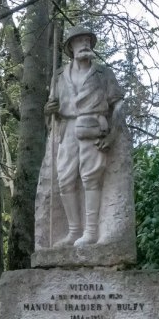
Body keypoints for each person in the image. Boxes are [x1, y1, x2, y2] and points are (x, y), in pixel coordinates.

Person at [44, 26, 125, 247]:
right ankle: (73, 231)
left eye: (88, 40)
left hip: (93, 127)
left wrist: (113, 135)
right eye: (79, 40)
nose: (85, 44)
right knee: (65, 179)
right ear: (70, 47)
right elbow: (52, 109)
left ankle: (90, 232)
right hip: (67, 129)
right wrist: (49, 109)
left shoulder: (103, 74)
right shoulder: (59, 76)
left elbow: (118, 104)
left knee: (91, 177)